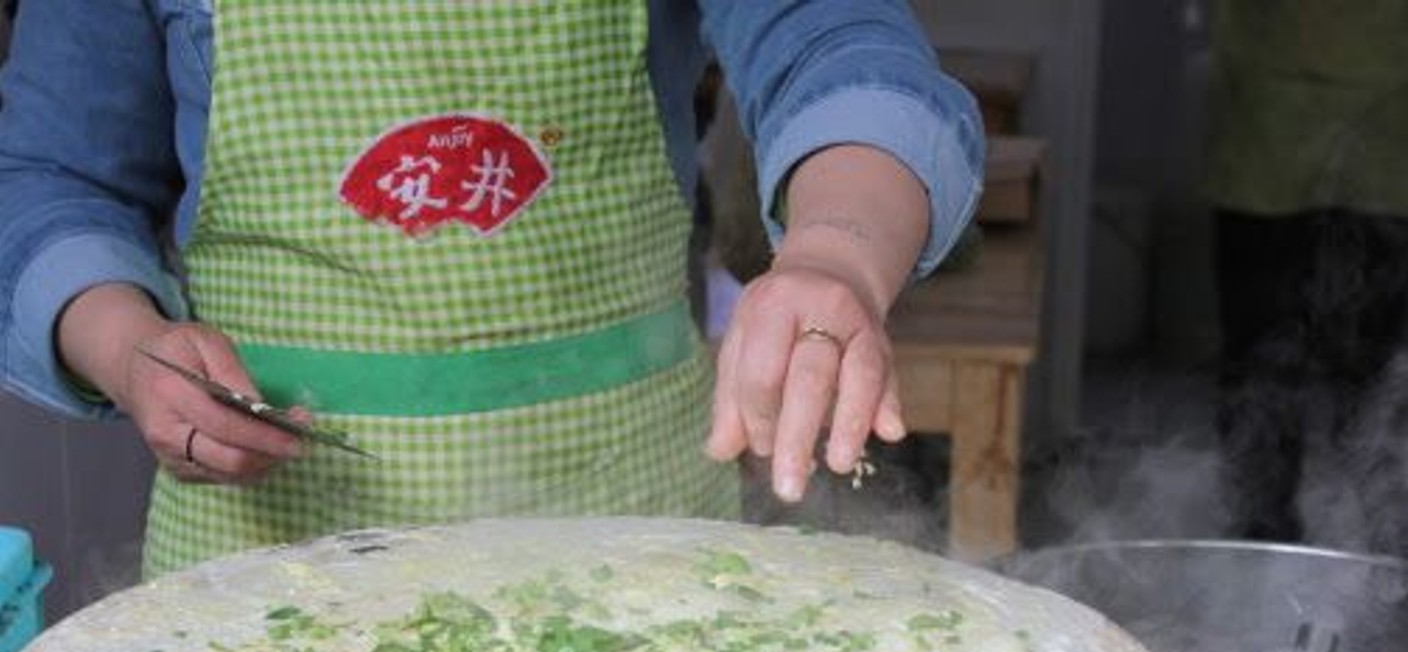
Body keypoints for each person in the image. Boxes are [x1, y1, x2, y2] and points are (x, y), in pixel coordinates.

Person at [0, 1, 982, 577]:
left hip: (631, 539)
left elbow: (836, 40)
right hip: (264, 558)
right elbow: (52, 180)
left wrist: (837, 254)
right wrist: (130, 351)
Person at [1205, 0, 1408, 543]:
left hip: (1383, 129)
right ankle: (1261, 546)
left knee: (1380, 378)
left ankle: (1386, 562)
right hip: (1271, 120)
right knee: (1263, 370)